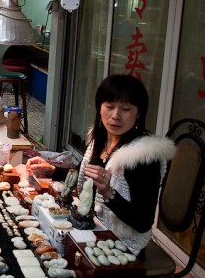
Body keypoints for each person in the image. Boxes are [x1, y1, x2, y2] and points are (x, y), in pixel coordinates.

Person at [26, 74, 175, 257]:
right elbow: (85, 174)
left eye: (126, 109)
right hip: (92, 228)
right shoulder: (101, 140)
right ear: (99, 108)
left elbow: (143, 221)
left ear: (138, 113)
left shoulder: (143, 157)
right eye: (109, 107)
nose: (115, 116)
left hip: (120, 248)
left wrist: (109, 194)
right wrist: (53, 170)